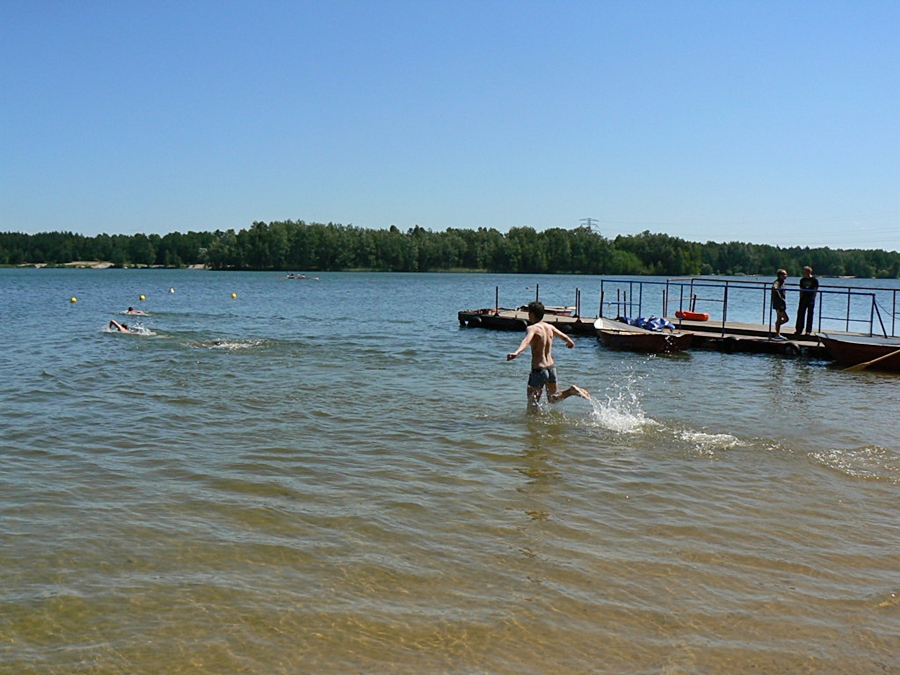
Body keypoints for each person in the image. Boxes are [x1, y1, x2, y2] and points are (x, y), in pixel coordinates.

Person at [507, 301, 590, 407]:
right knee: (553, 398)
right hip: (551, 368)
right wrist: (570, 342)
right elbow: (563, 336)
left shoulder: (532, 328)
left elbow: (526, 341)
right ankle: (570, 391)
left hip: (539, 369)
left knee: (532, 404)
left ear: (532, 314)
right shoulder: (549, 327)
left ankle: (531, 423)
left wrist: (516, 352)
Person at [794, 266, 819, 337]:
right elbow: (801, 289)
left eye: (804, 272)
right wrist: (800, 297)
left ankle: (808, 330)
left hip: (810, 299)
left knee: (810, 315)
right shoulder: (802, 280)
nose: (803, 273)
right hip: (803, 299)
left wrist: (813, 299)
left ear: (808, 272)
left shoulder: (814, 280)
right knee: (800, 314)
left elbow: (815, 290)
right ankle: (798, 329)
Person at [771, 269, 789, 339]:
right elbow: (774, 286)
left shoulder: (783, 282)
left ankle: (777, 334)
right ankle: (777, 327)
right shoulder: (778, 282)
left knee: (779, 318)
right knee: (786, 319)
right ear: (780, 275)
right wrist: (775, 288)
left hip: (781, 302)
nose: (786, 276)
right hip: (778, 303)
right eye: (784, 274)